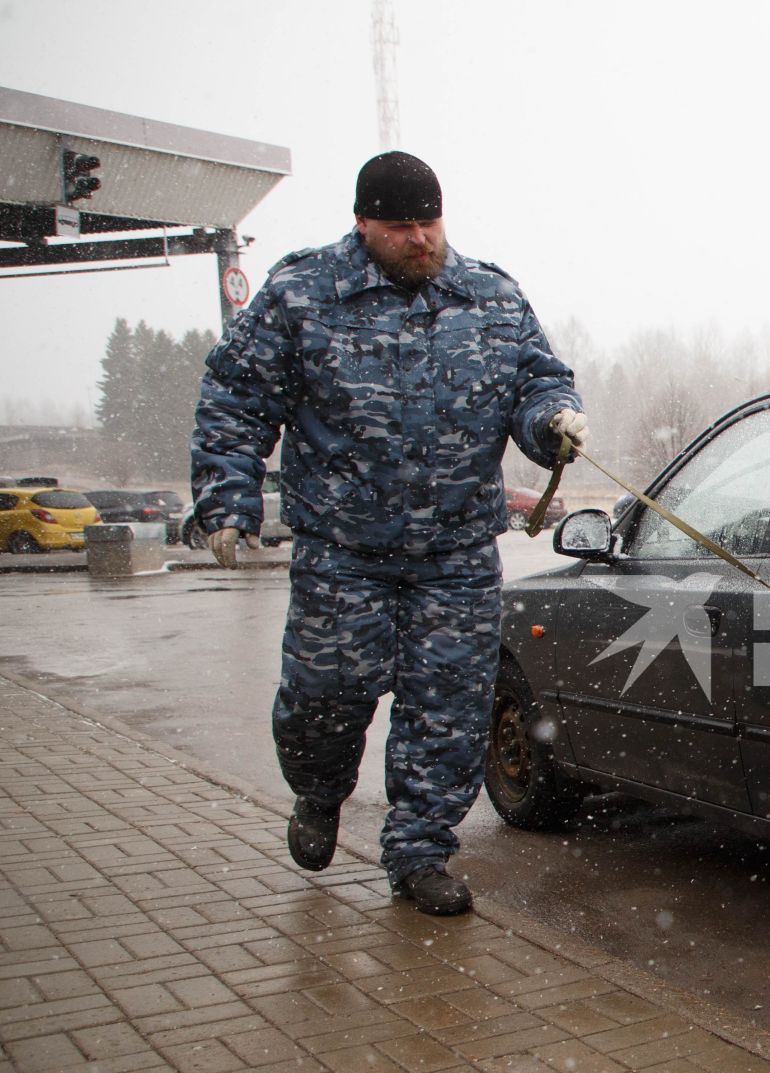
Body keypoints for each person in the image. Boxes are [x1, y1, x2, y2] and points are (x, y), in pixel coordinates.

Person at [191, 151, 588, 915]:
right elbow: (237, 397)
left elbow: (539, 381)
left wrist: (551, 421)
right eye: (401, 225)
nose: (419, 239)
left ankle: (419, 855)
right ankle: (317, 792)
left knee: (447, 714)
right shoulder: (303, 294)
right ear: (363, 222)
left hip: (457, 557)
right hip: (343, 553)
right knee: (323, 701)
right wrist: (226, 497)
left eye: (430, 222)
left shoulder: (492, 298)